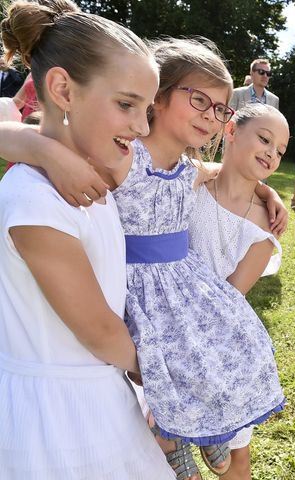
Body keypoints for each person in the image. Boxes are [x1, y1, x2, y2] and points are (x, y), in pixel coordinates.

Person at [0, 37, 288, 479]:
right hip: (136, 282)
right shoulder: (121, 156)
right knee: (163, 357)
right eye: (199, 101)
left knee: (232, 339)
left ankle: (208, 429)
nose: (211, 116)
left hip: (182, 279)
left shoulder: (190, 168)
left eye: (220, 109)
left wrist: (266, 189)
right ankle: (172, 437)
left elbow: (219, 172)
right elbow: (11, 127)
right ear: (158, 95)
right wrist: (45, 150)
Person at [0, 1, 174, 478]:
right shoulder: (36, 202)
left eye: (145, 109)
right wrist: (166, 380)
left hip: (98, 387)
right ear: (62, 89)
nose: (141, 127)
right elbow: (97, 329)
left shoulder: (97, 170)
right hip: (58, 419)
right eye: (126, 104)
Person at [189, 103, 288, 480]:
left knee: (235, 460)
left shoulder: (263, 228)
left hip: (220, 345)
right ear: (230, 131)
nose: (271, 153)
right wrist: (265, 188)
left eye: (279, 150)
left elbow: (229, 301)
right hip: (160, 332)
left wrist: (264, 194)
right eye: (264, 139)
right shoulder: (192, 182)